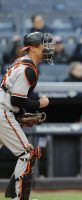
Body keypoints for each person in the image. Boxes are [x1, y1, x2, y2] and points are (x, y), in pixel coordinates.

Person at [0, 32, 55, 199]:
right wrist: (40, 104)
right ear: (33, 48)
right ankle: (19, 197)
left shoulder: (21, 63)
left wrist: (22, 114)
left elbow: (15, 99)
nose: (48, 48)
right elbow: (17, 99)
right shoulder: (27, 69)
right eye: (44, 45)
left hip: (4, 110)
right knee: (28, 153)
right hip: (3, 112)